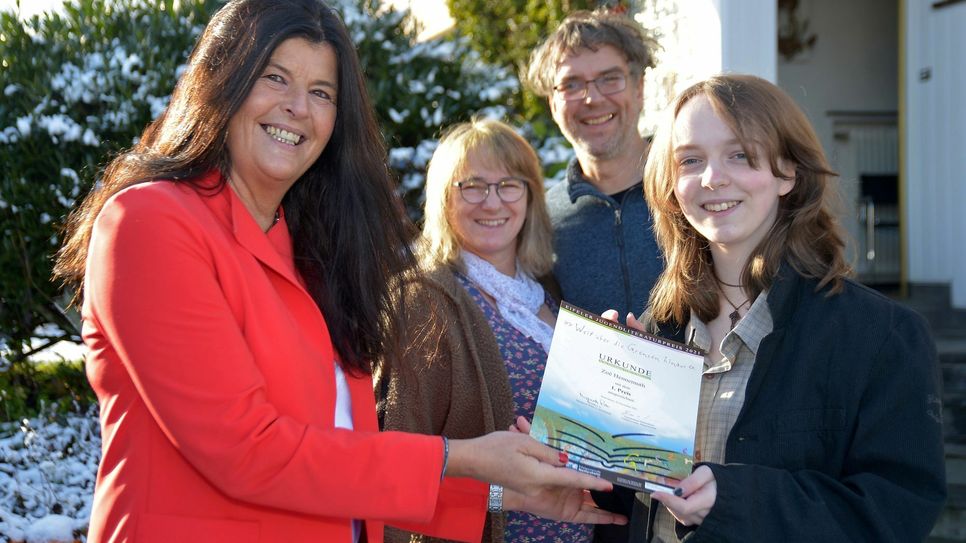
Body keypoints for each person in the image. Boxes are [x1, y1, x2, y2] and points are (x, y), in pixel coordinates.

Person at [52, 1, 626, 541]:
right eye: (275, 77)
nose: (298, 107)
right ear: (221, 82)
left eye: (321, 92)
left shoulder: (310, 250)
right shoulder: (150, 222)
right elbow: (246, 452)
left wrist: (504, 494)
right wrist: (464, 456)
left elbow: (341, 455)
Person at [610, 73, 945, 541]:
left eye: (740, 155)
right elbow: (633, 503)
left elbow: (896, 511)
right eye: (690, 160)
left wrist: (737, 498)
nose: (711, 178)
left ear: (787, 172)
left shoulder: (880, 337)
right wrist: (603, 407)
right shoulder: (657, 330)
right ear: (670, 183)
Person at [375, 118, 594, 543]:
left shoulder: (547, 296)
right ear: (444, 200)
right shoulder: (424, 301)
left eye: (509, 184)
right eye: (472, 186)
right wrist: (497, 496)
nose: (492, 202)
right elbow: (393, 466)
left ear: (530, 196)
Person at [525, 8, 663, 319]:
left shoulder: (690, 191)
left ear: (638, 88)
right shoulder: (542, 220)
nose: (592, 98)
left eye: (609, 79)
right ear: (552, 103)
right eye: (572, 84)